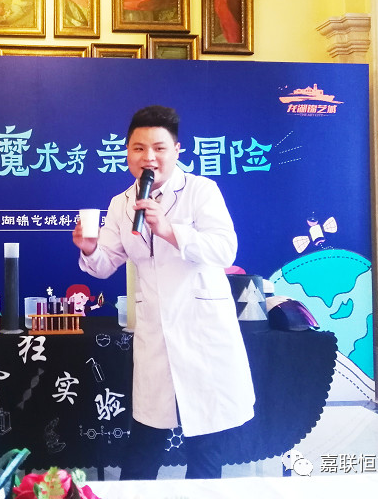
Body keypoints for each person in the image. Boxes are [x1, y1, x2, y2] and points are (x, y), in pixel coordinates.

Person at [72, 105, 254, 479]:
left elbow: (225, 250)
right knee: (145, 442)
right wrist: (89, 249)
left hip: (202, 333)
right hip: (155, 334)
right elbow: (105, 264)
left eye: (159, 148)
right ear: (127, 152)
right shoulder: (121, 204)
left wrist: (170, 230)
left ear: (176, 150)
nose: (149, 157)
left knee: (205, 446)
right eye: (139, 148)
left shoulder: (201, 191)